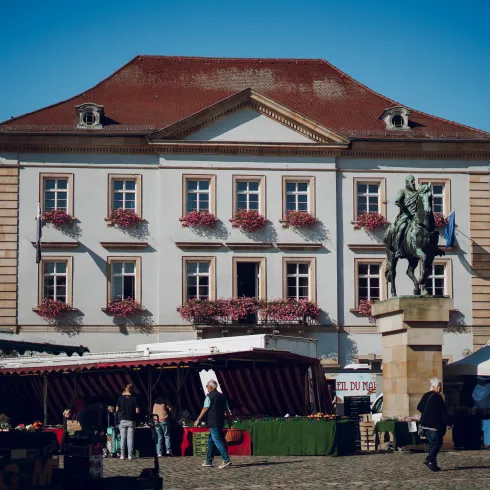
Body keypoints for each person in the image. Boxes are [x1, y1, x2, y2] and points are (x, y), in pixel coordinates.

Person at [194, 379, 233, 469]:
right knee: (210, 440)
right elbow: (227, 411)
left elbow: (205, 409)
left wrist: (198, 419)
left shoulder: (209, 396)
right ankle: (209, 461)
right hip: (220, 422)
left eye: (207, 386)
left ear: (211, 387)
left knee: (217, 441)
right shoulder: (223, 397)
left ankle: (226, 460)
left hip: (213, 422)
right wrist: (230, 423)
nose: (206, 388)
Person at [417, 377, 448, 472]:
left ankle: (433, 465)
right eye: (439, 386)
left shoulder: (426, 395)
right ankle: (429, 459)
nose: (441, 388)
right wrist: (449, 422)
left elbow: (419, 407)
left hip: (425, 425)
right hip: (434, 425)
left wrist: (427, 413)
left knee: (432, 444)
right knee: (438, 443)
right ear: (434, 387)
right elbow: (443, 412)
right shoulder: (438, 397)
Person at [392, 174, 420, 259]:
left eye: (414, 181)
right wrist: (398, 202)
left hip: (417, 216)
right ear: (407, 182)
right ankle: (397, 249)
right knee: (402, 228)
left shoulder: (417, 193)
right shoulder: (403, 191)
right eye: (412, 181)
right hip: (406, 215)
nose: (413, 183)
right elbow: (397, 199)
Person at [116, 384, 140, 460]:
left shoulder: (120, 398)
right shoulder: (134, 399)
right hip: (131, 420)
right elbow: (137, 411)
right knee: (130, 438)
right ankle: (130, 455)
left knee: (122, 438)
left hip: (122, 419)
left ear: (125, 389)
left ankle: (122, 455)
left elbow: (116, 410)